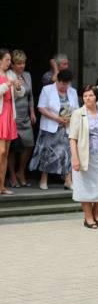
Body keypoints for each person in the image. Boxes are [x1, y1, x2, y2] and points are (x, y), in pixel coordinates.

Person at [69, 85, 98, 229]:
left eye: (90, 95)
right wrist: (75, 158)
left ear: (96, 96)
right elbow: (72, 138)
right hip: (84, 157)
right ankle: (88, 217)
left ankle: (96, 213)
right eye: (85, 96)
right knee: (85, 188)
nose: (88, 98)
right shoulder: (78, 114)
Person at [30, 69, 78, 190]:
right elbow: (41, 107)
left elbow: (77, 109)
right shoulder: (47, 90)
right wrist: (57, 118)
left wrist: (70, 118)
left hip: (66, 127)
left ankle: (68, 180)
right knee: (47, 153)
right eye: (62, 84)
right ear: (58, 80)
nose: (64, 86)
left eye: (67, 84)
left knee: (67, 153)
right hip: (50, 127)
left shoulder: (72, 92)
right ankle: (43, 179)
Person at [6, 50, 35, 188]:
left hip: (25, 116)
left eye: (24, 63)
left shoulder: (27, 75)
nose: (22, 66)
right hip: (13, 115)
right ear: (12, 65)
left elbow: (31, 96)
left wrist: (32, 112)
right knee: (12, 147)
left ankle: (20, 171)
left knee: (29, 144)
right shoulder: (8, 76)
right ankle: (12, 175)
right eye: (19, 63)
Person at [0, 48, 21, 195]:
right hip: (1, 114)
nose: (9, 62)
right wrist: (8, 84)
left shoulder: (10, 74)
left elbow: (20, 93)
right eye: (7, 59)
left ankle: (1, 186)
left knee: (5, 153)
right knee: (0, 151)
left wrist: (18, 87)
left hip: (9, 113)